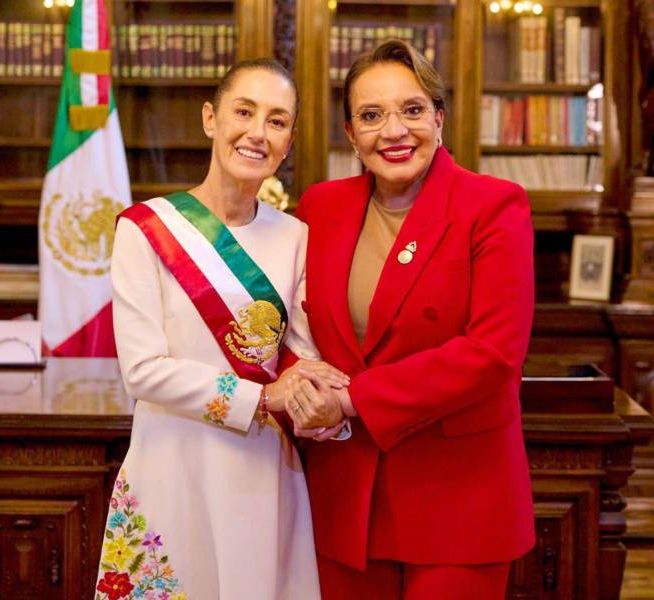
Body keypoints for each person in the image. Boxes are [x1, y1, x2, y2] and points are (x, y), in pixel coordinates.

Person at [290, 39, 536, 598]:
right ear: (351, 135)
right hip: (346, 492)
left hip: (458, 496)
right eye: (371, 116)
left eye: (412, 109)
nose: (394, 131)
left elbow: (493, 354)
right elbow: (293, 328)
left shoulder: (494, 206)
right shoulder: (320, 208)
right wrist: (301, 387)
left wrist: (353, 398)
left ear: (439, 118)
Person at [93, 58, 347, 600]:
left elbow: (301, 355)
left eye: (277, 121)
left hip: (261, 469)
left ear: (290, 140)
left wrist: (320, 397)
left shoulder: (296, 235)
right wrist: (263, 396)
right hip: (172, 462)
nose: (258, 132)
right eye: (244, 111)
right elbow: (142, 372)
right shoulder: (145, 228)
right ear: (211, 118)